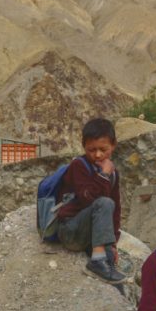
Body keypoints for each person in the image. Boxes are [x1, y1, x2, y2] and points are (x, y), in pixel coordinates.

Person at [54, 117, 125, 283]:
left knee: (110, 205)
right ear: (84, 146)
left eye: (103, 149)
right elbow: (88, 199)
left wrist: (113, 243)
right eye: (91, 150)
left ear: (113, 145)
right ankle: (97, 262)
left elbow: (115, 210)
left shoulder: (113, 173)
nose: (98, 155)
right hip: (70, 231)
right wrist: (103, 175)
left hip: (88, 234)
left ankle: (103, 257)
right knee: (104, 203)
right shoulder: (79, 166)